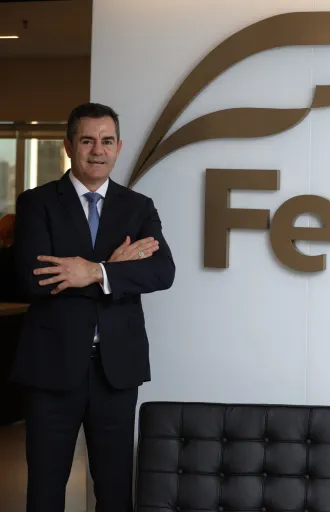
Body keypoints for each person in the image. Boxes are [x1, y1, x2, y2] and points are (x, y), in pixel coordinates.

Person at [11, 102, 176, 512]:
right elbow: (35, 280)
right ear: (69, 146)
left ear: (119, 147)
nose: (97, 150)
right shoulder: (37, 203)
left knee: (116, 491)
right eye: (87, 140)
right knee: (46, 490)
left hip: (115, 371)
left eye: (106, 141)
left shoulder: (138, 207)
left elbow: (162, 272)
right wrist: (115, 271)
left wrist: (93, 272)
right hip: (51, 369)